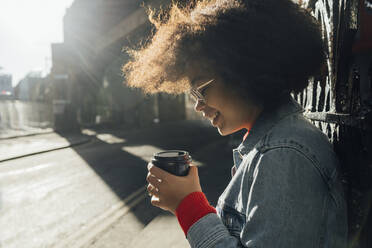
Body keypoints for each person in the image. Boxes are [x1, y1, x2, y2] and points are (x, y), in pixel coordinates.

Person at [122, 0, 348, 247]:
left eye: (201, 90)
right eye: (193, 95)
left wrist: (187, 205)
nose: (198, 105)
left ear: (242, 71)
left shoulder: (283, 154)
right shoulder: (271, 147)